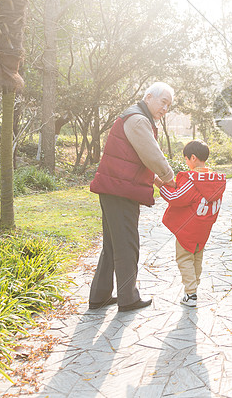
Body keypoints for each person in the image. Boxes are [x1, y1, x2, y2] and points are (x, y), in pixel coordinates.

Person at [88, 82, 176, 312]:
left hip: (113, 188)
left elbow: (134, 156)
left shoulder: (134, 117)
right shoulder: (138, 119)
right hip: (120, 190)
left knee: (112, 244)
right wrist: (168, 176)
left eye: (169, 105)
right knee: (127, 244)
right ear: (148, 97)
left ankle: (99, 296)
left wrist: (155, 180)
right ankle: (128, 298)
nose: (165, 108)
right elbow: (151, 154)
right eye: (163, 102)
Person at [155, 140, 226, 308]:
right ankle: (194, 288)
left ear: (193, 158)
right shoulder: (214, 179)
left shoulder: (192, 180)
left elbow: (176, 197)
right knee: (197, 258)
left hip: (188, 229)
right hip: (204, 228)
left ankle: (191, 293)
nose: (186, 163)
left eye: (186, 159)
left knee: (184, 258)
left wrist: (160, 185)